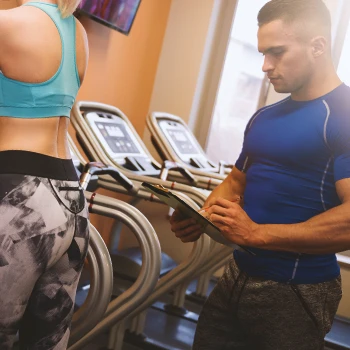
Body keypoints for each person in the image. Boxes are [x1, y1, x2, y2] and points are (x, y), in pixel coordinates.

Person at [170, 0, 349, 349]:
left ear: (318, 46)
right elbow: (236, 182)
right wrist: (202, 218)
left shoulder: (343, 115)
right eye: (263, 53)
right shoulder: (265, 117)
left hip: (297, 288)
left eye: (277, 52)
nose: (266, 66)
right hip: (237, 275)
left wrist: (257, 233)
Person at [0, 0, 89, 349]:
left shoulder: (8, 24)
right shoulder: (78, 32)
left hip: (18, 198)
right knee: (48, 341)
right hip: (70, 201)